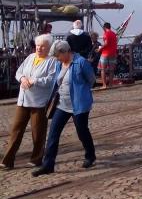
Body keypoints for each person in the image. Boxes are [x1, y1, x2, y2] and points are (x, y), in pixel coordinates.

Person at [32, 40, 96, 176]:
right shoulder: (58, 64)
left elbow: (91, 79)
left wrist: (81, 92)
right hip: (62, 105)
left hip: (79, 105)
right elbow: (57, 82)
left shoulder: (81, 62)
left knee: (82, 131)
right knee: (53, 134)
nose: (56, 58)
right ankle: (48, 165)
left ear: (65, 52)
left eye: (57, 55)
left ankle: (90, 156)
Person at [1, 34, 57, 170]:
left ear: (48, 47)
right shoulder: (30, 57)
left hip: (39, 102)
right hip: (23, 99)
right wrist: (22, 79)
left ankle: (37, 158)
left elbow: (51, 80)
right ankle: (7, 160)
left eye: (42, 46)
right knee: (16, 129)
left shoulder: (52, 61)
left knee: (38, 131)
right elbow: (19, 72)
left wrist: (35, 81)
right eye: (38, 46)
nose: (39, 48)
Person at [99, 22, 118, 89]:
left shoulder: (106, 33)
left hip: (105, 53)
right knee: (111, 70)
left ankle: (104, 85)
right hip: (113, 53)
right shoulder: (114, 34)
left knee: (103, 69)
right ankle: (110, 84)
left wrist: (100, 48)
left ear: (104, 27)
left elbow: (106, 43)